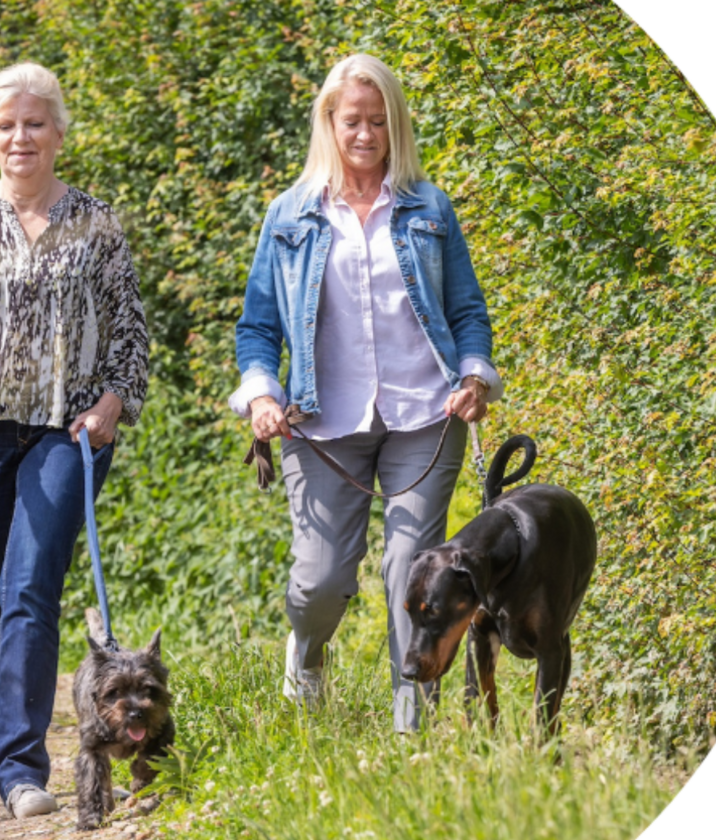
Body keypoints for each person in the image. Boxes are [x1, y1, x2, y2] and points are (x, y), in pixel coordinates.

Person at [230, 53, 502, 732]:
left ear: (395, 125)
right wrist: (261, 396)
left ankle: (413, 734)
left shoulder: (427, 208)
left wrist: (475, 375)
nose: (366, 134)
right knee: (319, 582)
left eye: (379, 122)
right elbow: (258, 327)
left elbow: (467, 310)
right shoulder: (289, 217)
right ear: (329, 121)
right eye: (353, 120)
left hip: (424, 417)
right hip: (322, 426)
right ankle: (309, 651)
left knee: (413, 570)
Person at [0, 62, 148, 818]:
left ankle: (20, 769)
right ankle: (5, 732)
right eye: (7, 124)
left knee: (29, 589)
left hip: (67, 431)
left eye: (35, 123)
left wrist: (111, 405)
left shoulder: (96, 223)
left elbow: (132, 337)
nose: (21, 136)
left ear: (59, 132)